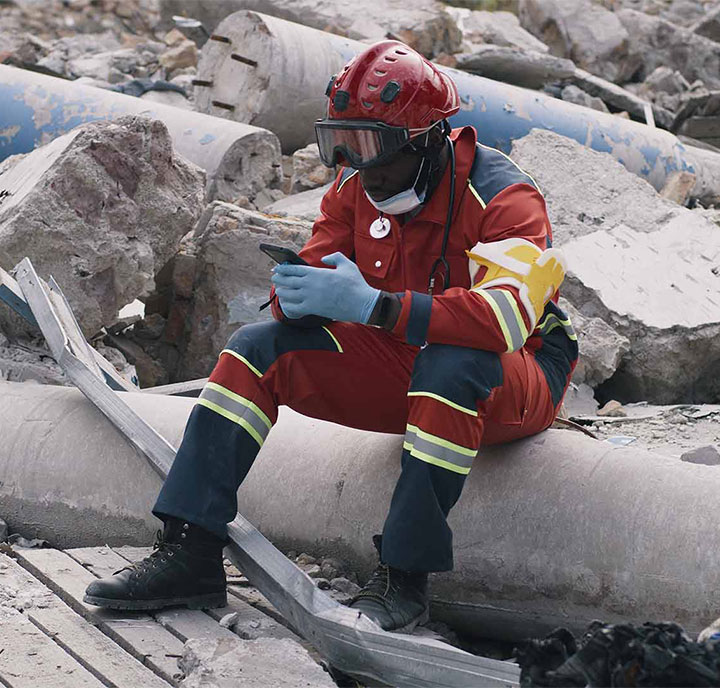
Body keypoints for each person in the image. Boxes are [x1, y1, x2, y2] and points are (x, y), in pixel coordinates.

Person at [84, 40, 578, 632]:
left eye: (370, 144)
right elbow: (308, 278)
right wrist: (296, 295)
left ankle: (404, 578)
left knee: (452, 362)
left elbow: (502, 323)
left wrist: (374, 306)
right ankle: (190, 549)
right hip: (407, 359)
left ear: (423, 140)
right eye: (340, 143)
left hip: (518, 373)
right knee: (255, 349)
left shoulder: (504, 195)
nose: (357, 165)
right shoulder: (354, 188)